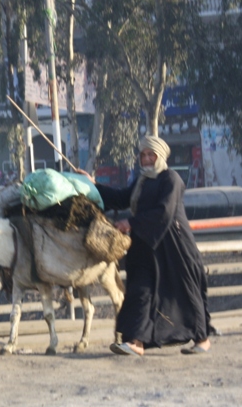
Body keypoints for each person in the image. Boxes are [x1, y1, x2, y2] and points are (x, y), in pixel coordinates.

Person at [86, 135, 215, 357]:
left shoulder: (171, 179)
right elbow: (121, 198)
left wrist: (131, 222)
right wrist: (93, 185)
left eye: (150, 155)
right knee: (140, 290)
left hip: (174, 246)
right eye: (143, 155)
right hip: (145, 243)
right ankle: (136, 342)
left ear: (160, 156)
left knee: (184, 290)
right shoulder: (141, 181)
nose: (146, 159)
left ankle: (202, 338)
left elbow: (164, 212)